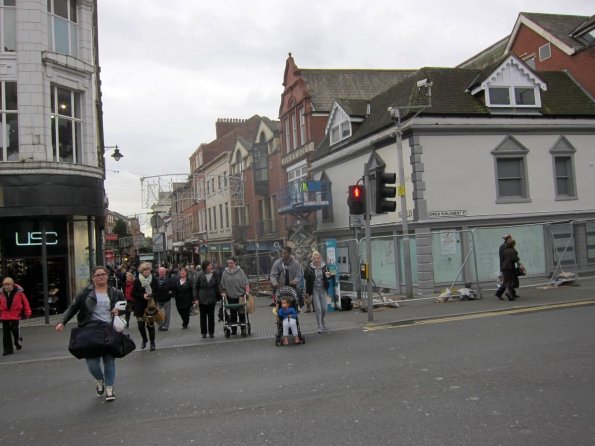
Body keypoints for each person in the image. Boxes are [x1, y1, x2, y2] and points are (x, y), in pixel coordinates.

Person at [55, 266, 124, 402]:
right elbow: (73, 307)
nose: (101, 277)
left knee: (109, 360)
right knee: (92, 363)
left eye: (103, 274)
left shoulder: (115, 292)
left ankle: (109, 389)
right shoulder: (85, 292)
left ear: (107, 275)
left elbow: (125, 306)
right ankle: (99, 380)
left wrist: (119, 311)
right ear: (93, 277)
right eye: (98, 275)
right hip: (89, 330)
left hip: (108, 330)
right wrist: (62, 321)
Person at [0, 278, 32, 356]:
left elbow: (25, 303)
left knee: (15, 330)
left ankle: (18, 341)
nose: (6, 287)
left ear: (12, 285)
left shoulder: (19, 292)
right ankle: (8, 350)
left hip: (15, 314)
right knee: (6, 333)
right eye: (5, 285)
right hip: (4, 315)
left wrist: (28, 312)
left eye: (8, 285)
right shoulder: (1, 293)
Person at [304, 250, 333, 333]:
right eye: (315, 258)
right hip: (314, 290)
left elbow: (329, 277)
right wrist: (306, 292)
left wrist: (329, 275)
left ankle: (322, 321)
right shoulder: (309, 268)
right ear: (312, 259)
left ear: (321, 258)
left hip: (323, 289)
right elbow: (306, 280)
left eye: (318, 258)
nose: (316, 260)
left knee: (324, 309)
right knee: (318, 309)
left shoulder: (325, 267)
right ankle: (320, 325)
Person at [131, 262, 158, 351]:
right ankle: (144, 339)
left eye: (148, 270)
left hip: (150, 306)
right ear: (141, 271)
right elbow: (133, 293)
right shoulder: (137, 281)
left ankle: (152, 343)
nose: (147, 271)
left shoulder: (154, 279)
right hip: (139, 306)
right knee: (141, 325)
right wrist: (143, 295)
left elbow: (158, 291)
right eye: (145, 270)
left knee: (150, 325)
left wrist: (152, 295)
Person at [220, 257, 250, 336]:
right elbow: (222, 285)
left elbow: (246, 282)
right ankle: (234, 330)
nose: (230, 264)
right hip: (230, 295)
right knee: (233, 313)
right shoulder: (225, 273)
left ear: (235, 263)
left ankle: (243, 328)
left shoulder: (240, 271)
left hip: (240, 295)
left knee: (241, 313)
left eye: (231, 263)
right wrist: (223, 292)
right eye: (228, 263)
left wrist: (247, 292)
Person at [194, 260, 221, 339]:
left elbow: (218, 285)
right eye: (209, 265)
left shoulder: (215, 274)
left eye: (211, 265)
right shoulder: (200, 275)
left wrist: (221, 292)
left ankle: (211, 332)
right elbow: (195, 287)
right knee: (203, 316)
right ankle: (203, 332)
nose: (211, 266)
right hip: (202, 298)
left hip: (212, 298)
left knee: (211, 316)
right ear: (205, 267)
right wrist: (196, 298)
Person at [495, 234, 519, 300]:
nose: (511, 239)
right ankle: (502, 293)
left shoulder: (506, 247)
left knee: (510, 281)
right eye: (510, 238)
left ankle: (512, 294)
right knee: (508, 282)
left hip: (506, 266)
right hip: (508, 267)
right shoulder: (505, 247)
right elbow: (508, 257)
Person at [154, 266, 173, 331]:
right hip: (158, 299)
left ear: (165, 272)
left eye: (163, 272)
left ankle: (165, 326)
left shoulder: (169, 280)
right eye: (160, 272)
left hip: (167, 299)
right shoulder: (155, 280)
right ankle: (160, 325)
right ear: (158, 272)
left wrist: (169, 295)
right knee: (158, 314)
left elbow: (171, 289)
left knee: (167, 314)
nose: (161, 273)